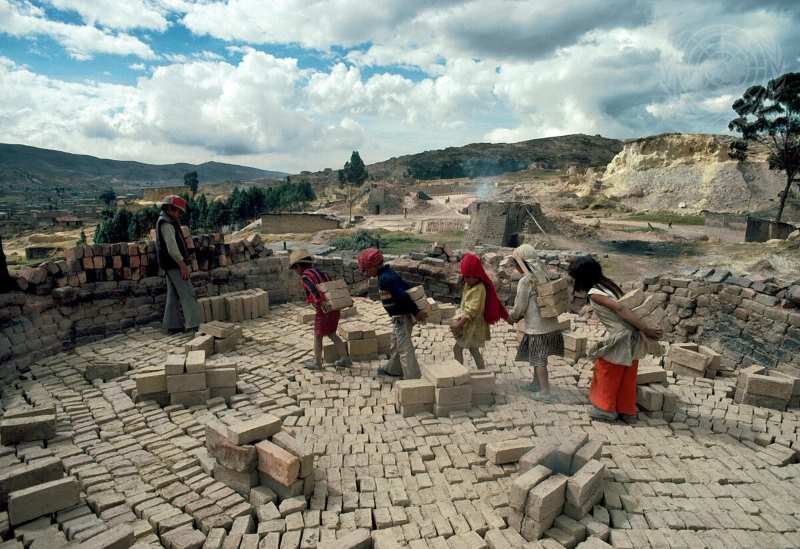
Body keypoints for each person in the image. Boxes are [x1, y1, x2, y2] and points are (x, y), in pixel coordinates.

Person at [568, 256, 663, 421]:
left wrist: (646, 329)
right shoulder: (607, 287)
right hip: (632, 336)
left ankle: (605, 410)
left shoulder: (595, 294)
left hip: (621, 337)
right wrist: (642, 329)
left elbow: (620, 308)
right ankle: (627, 411)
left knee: (606, 372)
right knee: (627, 375)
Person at [357, 248, 426, 379]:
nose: (365, 273)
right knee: (395, 344)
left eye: (366, 269)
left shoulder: (385, 279)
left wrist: (416, 312)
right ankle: (393, 369)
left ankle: (413, 378)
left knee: (404, 347)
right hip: (397, 317)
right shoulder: (387, 274)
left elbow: (403, 296)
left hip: (402, 317)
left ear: (374, 266)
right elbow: (404, 287)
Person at [506, 244, 564, 399]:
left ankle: (545, 391)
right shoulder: (543, 275)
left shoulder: (526, 281)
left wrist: (511, 317)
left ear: (522, 263)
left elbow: (520, 306)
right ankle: (535, 383)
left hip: (537, 327)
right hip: (551, 324)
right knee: (539, 356)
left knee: (539, 359)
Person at [289, 249, 352, 371]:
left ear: (298, 266)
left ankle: (317, 363)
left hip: (323, 309)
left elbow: (314, 291)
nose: (295, 271)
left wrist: (319, 303)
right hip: (334, 307)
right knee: (332, 333)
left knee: (318, 336)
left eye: (294, 268)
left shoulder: (306, 276)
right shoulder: (321, 273)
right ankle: (345, 358)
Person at [451, 253, 508, 370]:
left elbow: (473, 309)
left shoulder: (480, 288)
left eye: (473, 277)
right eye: (467, 277)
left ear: (478, 275)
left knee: (458, 348)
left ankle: (458, 373)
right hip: (468, 324)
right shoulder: (469, 284)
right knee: (473, 349)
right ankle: (481, 370)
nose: (469, 280)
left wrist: (459, 324)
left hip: (472, 325)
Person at [155, 195, 202, 333]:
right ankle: (193, 324)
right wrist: (182, 265)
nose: (180, 215)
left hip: (169, 264)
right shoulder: (166, 223)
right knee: (188, 293)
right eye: (178, 211)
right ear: (170, 208)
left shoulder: (167, 220)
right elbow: (172, 248)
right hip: (174, 264)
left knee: (173, 295)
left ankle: (172, 325)